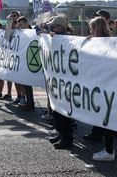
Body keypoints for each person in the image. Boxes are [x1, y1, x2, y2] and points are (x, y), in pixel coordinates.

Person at [86, 16, 116, 161]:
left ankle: (109, 151)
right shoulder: (103, 42)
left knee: (106, 119)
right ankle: (107, 149)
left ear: (97, 28)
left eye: (92, 28)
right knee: (104, 119)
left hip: (107, 86)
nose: (90, 30)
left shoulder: (106, 44)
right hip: (102, 85)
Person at [46, 15, 74, 149]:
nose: (51, 27)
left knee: (62, 111)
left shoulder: (65, 38)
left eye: (54, 25)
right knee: (57, 110)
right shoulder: (56, 37)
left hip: (64, 81)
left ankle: (67, 138)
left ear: (60, 27)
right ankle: (61, 133)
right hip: (58, 80)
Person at [15, 16, 35, 111]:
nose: (20, 28)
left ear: (26, 24)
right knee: (25, 83)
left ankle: (30, 104)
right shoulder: (21, 34)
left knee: (28, 83)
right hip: (25, 62)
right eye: (18, 26)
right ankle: (28, 102)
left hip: (31, 62)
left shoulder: (33, 33)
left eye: (21, 25)